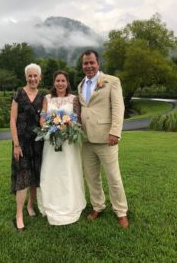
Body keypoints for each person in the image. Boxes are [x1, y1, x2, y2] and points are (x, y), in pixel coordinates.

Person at [77, 50, 129, 229]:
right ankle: (98, 206)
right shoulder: (80, 84)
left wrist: (115, 132)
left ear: (98, 63)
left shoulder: (111, 81)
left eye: (91, 62)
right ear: (82, 65)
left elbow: (118, 108)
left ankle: (121, 211)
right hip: (85, 140)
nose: (88, 66)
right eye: (85, 63)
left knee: (113, 177)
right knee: (92, 178)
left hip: (106, 138)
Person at [38, 70, 86, 225]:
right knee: (51, 171)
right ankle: (51, 203)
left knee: (68, 171)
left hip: (69, 144)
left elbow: (78, 119)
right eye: (57, 80)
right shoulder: (47, 98)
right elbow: (42, 118)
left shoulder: (74, 99)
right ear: (54, 82)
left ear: (67, 83)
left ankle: (70, 202)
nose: (60, 83)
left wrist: (68, 127)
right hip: (51, 141)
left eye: (63, 80)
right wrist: (51, 127)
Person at [10, 63, 44, 230]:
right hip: (21, 142)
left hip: (38, 142)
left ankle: (30, 205)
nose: (32, 79)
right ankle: (18, 214)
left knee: (35, 175)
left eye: (35, 76)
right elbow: (12, 120)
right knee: (23, 177)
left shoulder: (43, 96)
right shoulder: (18, 94)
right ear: (26, 77)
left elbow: (45, 119)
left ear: (39, 77)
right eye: (29, 76)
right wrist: (16, 144)